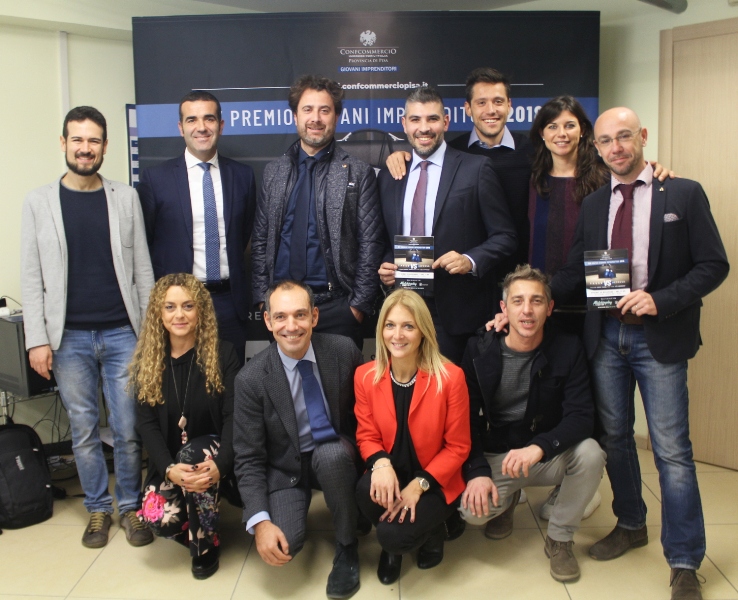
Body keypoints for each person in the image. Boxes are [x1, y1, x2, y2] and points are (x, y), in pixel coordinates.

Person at [550, 107, 729, 600]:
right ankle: (631, 523)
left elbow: (713, 265)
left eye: (625, 137)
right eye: (606, 141)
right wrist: (530, 295)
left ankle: (685, 560)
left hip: (659, 339)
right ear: (597, 148)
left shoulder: (683, 193)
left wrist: (660, 299)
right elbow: (576, 270)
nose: (617, 148)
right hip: (605, 337)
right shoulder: (594, 204)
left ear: (643, 136)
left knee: (671, 451)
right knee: (616, 438)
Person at [20, 106, 154, 548]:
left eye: (93, 140)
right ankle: (98, 508)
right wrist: (37, 341)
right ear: (63, 143)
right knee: (83, 430)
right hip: (68, 339)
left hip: (122, 334)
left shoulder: (124, 198)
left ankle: (130, 506)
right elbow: (31, 278)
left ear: (105, 146)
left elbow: (142, 270)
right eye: (77, 139)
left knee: (128, 429)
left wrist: (149, 333)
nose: (85, 148)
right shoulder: (39, 202)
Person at [460, 265, 605, 583]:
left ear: (549, 308)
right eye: (518, 301)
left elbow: (582, 416)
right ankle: (508, 500)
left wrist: (540, 447)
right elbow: (464, 420)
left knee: (591, 453)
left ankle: (560, 538)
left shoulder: (568, 347)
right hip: (498, 454)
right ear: (504, 308)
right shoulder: (479, 349)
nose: (527, 310)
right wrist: (478, 472)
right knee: (472, 513)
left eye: (536, 301)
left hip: (543, 454)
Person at [233, 280, 364, 599]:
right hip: (285, 468)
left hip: (334, 452)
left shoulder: (344, 350)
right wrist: (260, 522)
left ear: (314, 316)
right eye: (280, 317)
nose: (291, 326)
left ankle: (347, 545)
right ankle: (305, 505)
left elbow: (367, 415)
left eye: (300, 315)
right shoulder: (251, 379)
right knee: (285, 544)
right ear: (267, 321)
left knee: (331, 456)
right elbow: (248, 459)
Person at [377, 86, 516, 365]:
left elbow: (506, 236)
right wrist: (386, 265)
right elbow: (383, 238)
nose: (424, 128)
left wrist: (469, 260)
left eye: (432, 119)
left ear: (446, 122)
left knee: (450, 390)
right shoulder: (391, 176)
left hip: (456, 313)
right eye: (415, 119)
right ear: (404, 124)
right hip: (403, 308)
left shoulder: (476, 168)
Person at [251, 75, 384, 349]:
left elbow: (370, 245)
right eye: (308, 110)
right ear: (295, 116)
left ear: (336, 117)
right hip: (283, 310)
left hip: (338, 308)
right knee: (285, 379)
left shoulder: (358, 173)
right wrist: (264, 300)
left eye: (325, 110)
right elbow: (261, 241)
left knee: (339, 379)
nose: (316, 118)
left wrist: (357, 307)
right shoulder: (274, 172)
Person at [354, 289, 470, 585]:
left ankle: (431, 533)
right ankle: (398, 540)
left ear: (423, 332)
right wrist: (381, 465)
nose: (397, 335)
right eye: (390, 325)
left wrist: (418, 486)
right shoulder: (365, 376)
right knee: (364, 491)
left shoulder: (451, 377)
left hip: (434, 481)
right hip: (393, 473)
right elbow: (366, 434)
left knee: (392, 536)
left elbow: (458, 447)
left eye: (408, 326)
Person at [131, 273, 240, 579]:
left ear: (200, 311)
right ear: (159, 313)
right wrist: (168, 469)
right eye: (170, 307)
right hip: (170, 461)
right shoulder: (148, 361)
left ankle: (205, 542)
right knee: (157, 517)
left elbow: (233, 417)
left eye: (188, 306)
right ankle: (196, 522)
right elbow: (147, 426)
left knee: (194, 456)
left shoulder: (223, 353)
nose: (179, 314)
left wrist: (222, 464)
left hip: (212, 455)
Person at [137, 90, 256, 365]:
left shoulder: (242, 176)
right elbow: (148, 240)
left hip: (229, 303)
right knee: (182, 383)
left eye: (209, 119)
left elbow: (244, 234)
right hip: (179, 306)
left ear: (221, 125)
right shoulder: (155, 179)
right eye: (192, 120)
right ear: (181, 128)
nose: (201, 127)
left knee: (229, 383)